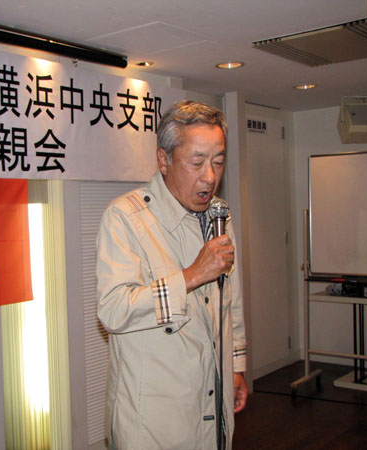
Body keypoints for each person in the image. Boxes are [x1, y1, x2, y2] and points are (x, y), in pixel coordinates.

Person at [96, 100, 247, 450]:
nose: (210, 177)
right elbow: (113, 310)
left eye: (218, 161)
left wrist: (236, 365)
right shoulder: (124, 217)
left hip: (213, 403)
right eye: (197, 162)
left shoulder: (219, 216)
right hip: (153, 421)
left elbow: (232, 301)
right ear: (164, 161)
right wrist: (191, 275)